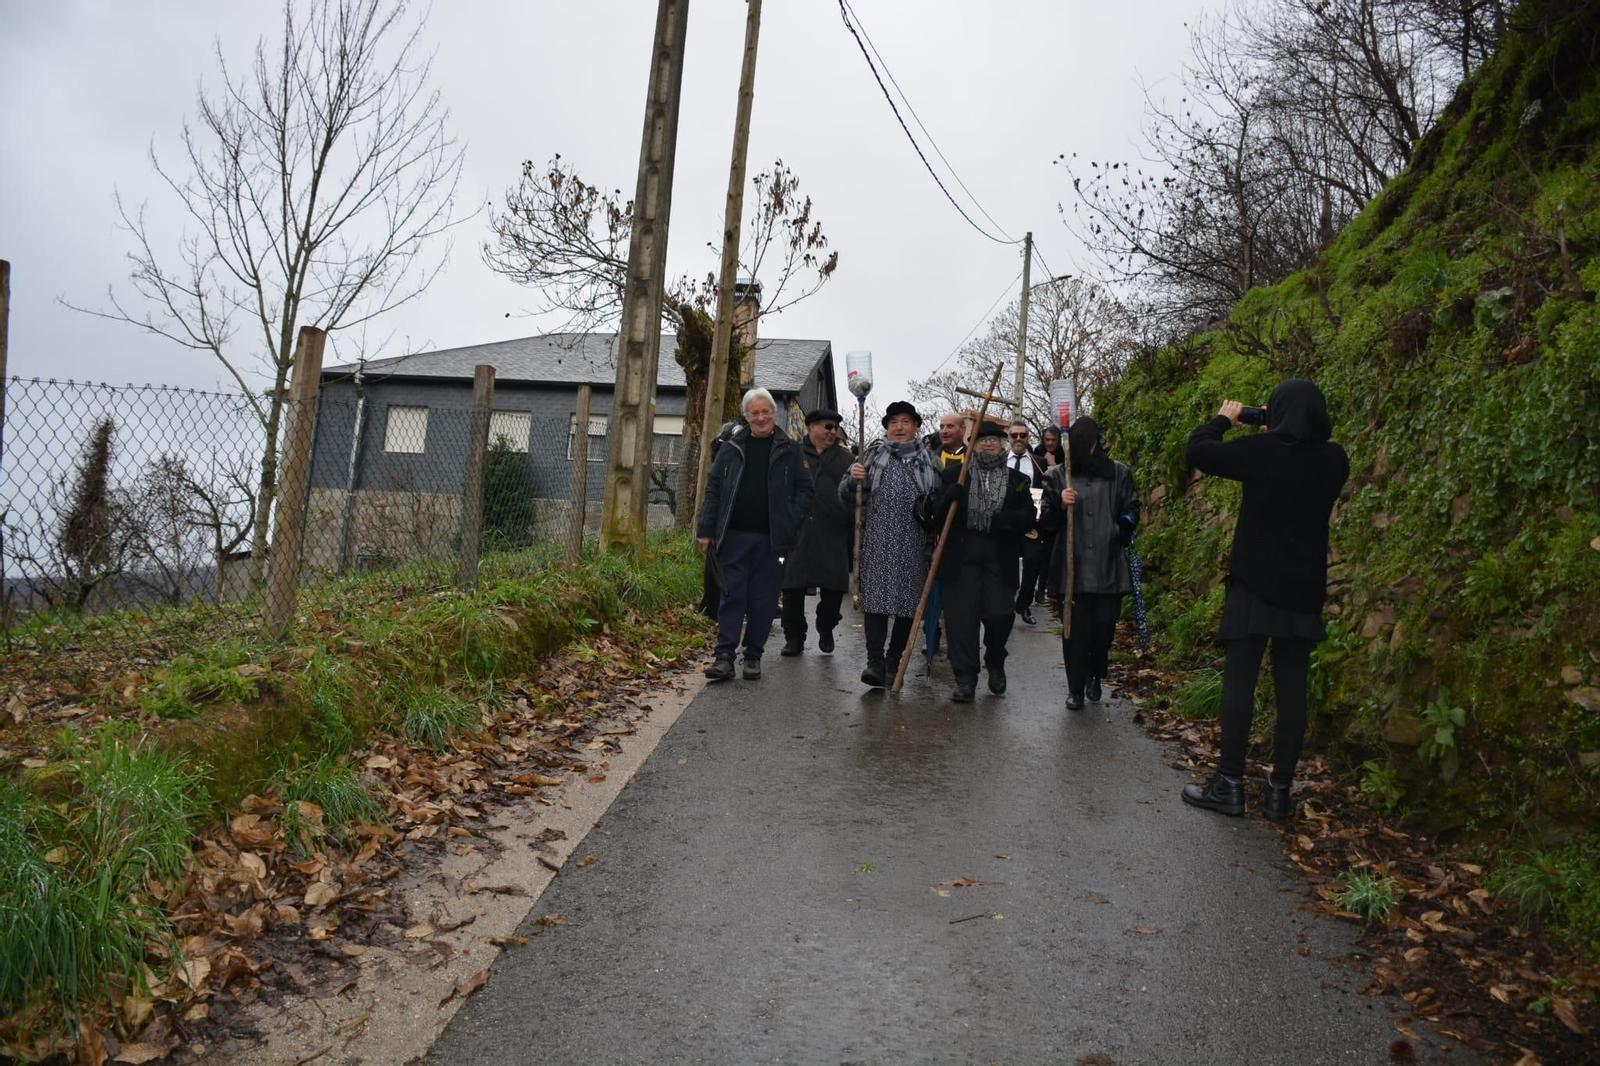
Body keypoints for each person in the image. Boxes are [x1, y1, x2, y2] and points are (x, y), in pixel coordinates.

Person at [1179, 379, 1349, 819]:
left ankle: (1230, 784)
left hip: (1254, 584)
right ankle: (1279, 793)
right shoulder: (1335, 460)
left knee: (1241, 682)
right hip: (1304, 590)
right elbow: (1302, 447)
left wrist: (1225, 417)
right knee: (1293, 692)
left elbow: (1198, 449)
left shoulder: (1262, 452)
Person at [697, 388, 815, 681]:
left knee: (763, 600)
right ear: (747, 416)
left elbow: (806, 489)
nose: (761, 417)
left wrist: (791, 519)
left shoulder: (790, 449)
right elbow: (713, 490)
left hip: (772, 540)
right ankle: (724, 657)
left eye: (766, 412)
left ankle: (753, 656)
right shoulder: (730, 448)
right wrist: (706, 529)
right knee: (731, 596)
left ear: (774, 414)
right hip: (733, 536)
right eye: (755, 413)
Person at [933, 419, 1037, 703]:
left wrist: (1003, 521)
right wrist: (948, 498)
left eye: (993, 439)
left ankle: (994, 657)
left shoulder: (1017, 481)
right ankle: (965, 679)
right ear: (972, 445)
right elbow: (937, 516)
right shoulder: (955, 475)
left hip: (999, 559)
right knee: (961, 622)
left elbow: (1029, 515)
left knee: (999, 615)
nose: (988, 443)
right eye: (982, 439)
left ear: (1002, 444)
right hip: (962, 559)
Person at [1040, 417, 1140, 710]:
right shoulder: (1058, 476)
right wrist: (1059, 503)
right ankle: (1075, 688)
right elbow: (1045, 521)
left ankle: (1095, 673)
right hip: (1072, 568)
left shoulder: (1119, 473)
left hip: (1109, 565)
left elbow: (1131, 508)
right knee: (1075, 629)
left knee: (1105, 625)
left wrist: (1118, 530)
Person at [841, 400, 941, 688]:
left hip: (914, 542)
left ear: (915, 426)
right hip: (877, 540)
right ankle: (874, 662)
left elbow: (941, 502)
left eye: (905, 422)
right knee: (876, 603)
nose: (899, 427)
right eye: (894, 422)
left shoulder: (929, 461)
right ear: (886, 427)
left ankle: (892, 660)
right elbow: (846, 495)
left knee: (908, 605)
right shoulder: (871, 455)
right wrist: (852, 481)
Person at [779, 409, 853, 656]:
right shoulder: (792, 454)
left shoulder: (846, 460)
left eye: (834, 428)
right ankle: (794, 637)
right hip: (797, 531)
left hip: (833, 532)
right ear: (811, 427)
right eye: (827, 426)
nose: (832, 432)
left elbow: (854, 494)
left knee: (833, 589)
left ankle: (826, 624)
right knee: (792, 589)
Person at [922, 412, 970, 664]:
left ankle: (957, 642)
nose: (944, 430)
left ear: (963, 429)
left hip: (964, 539)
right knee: (931, 595)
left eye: (950, 426)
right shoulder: (931, 458)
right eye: (941, 426)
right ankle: (930, 635)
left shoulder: (971, 458)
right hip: (934, 535)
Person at [1005, 421, 1044, 626]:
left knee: (1034, 560)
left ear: (1029, 438)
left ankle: (1023, 603)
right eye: (1014, 435)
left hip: (1032, 522)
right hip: (1007, 522)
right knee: (1007, 563)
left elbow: (1049, 487)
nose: (1018, 439)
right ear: (1009, 438)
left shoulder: (1040, 462)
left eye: (1022, 435)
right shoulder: (1000, 461)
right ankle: (1004, 604)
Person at [1028, 425, 1067, 605]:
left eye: (1053, 440)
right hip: (1039, 507)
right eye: (1047, 440)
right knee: (1037, 554)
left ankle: (1045, 587)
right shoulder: (1036, 454)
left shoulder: (1064, 456)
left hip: (1056, 509)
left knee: (1051, 553)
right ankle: (1033, 588)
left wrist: (1053, 466)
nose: (1050, 443)